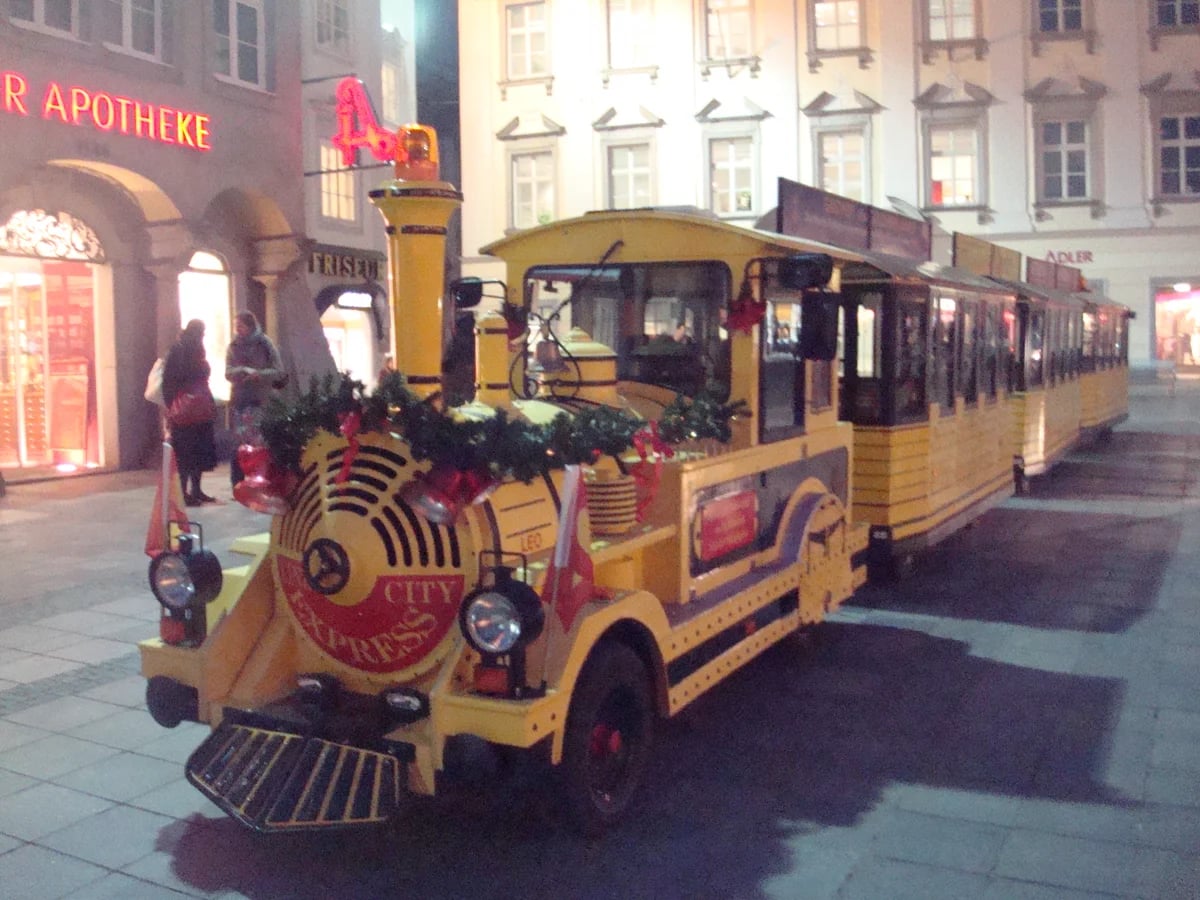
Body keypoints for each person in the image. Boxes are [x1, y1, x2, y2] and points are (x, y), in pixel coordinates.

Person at [162, 319, 218, 505]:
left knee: (198, 452)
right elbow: (170, 380)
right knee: (186, 453)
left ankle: (196, 490)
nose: (202, 335)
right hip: (185, 410)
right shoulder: (179, 350)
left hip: (198, 409)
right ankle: (184, 492)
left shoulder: (195, 349)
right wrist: (172, 406)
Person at [225, 311, 284, 488]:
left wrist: (260, 375)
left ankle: (258, 480)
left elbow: (278, 371)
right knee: (238, 443)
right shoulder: (233, 345)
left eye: (241, 326)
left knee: (258, 443)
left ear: (250, 326)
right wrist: (239, 371)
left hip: (259, 400)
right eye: (236, 326)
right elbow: (227, 371)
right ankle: (237, 481)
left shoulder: (264, 344)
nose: (238, 330)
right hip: (240, 400)